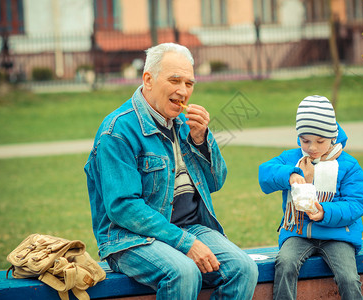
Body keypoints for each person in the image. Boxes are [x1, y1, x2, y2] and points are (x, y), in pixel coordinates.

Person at [84, 43, 258, 300]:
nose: (183, 91)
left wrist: (202, 140)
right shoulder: (117, 131)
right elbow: (123, 207)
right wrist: (185, 243)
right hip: (131, 239)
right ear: (148, 79)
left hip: (190, 227)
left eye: (189, 83)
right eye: (175, 80)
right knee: (184, 272)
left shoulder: (185, 124)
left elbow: (215, 182)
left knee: (244, 269)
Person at [258, 95, 363, 300]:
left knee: (348, 277)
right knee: (285, 263)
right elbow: (264, 175)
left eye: (320, 141)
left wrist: (325, 212)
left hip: (338, 235)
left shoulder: (349, 165)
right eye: (305, 140)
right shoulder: (292, 159)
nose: (312, 148)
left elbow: (357, 204)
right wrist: (289, 174)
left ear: (333, 137)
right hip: (297, 232)